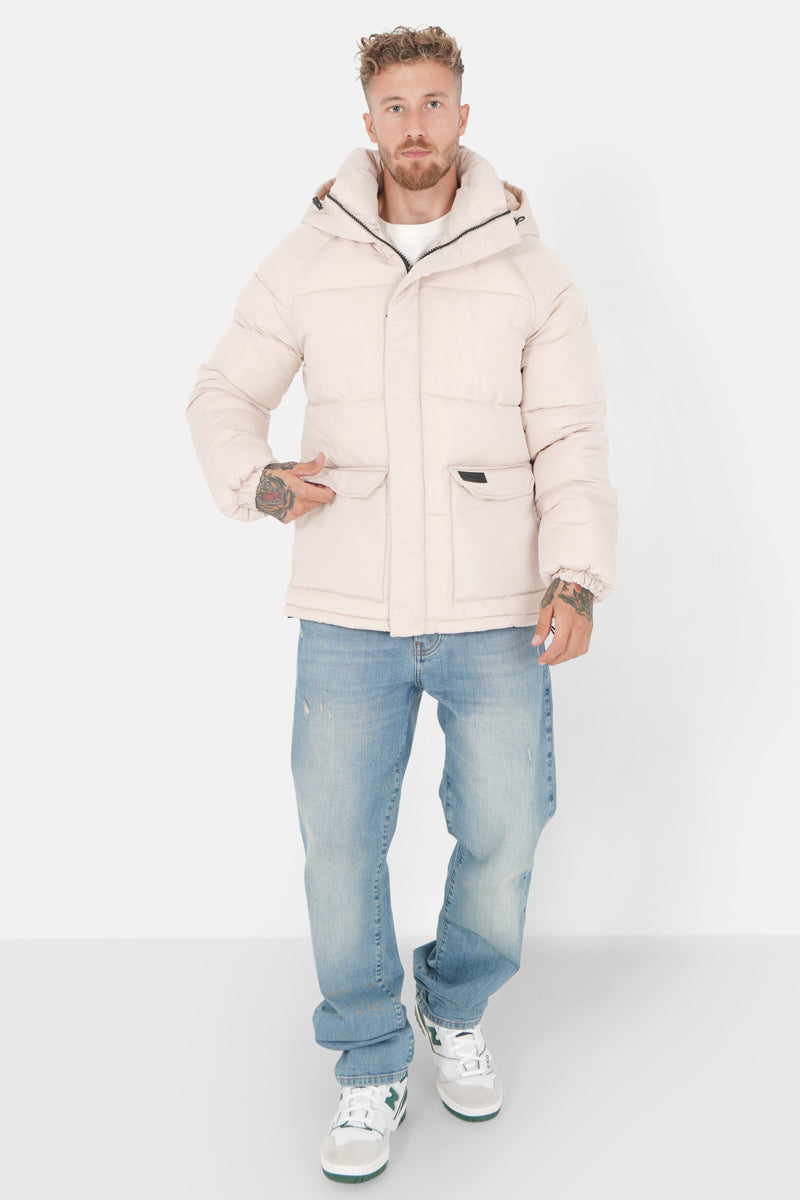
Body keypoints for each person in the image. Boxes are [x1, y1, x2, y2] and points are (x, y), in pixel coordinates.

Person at [185, 23, 618, 1186]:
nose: (414, 126)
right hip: (347, 604)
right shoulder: (309, 256)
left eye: (433, 103)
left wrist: (575, 574)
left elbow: (570, 437)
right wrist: (257, 481)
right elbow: (223, 390)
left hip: (495, 605)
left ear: (462, 116)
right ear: (367, 121)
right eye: (394, 106)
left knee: (507, 827)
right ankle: (369, 1058)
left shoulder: (527, 267)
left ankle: (453, 1003)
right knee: (338, 847)